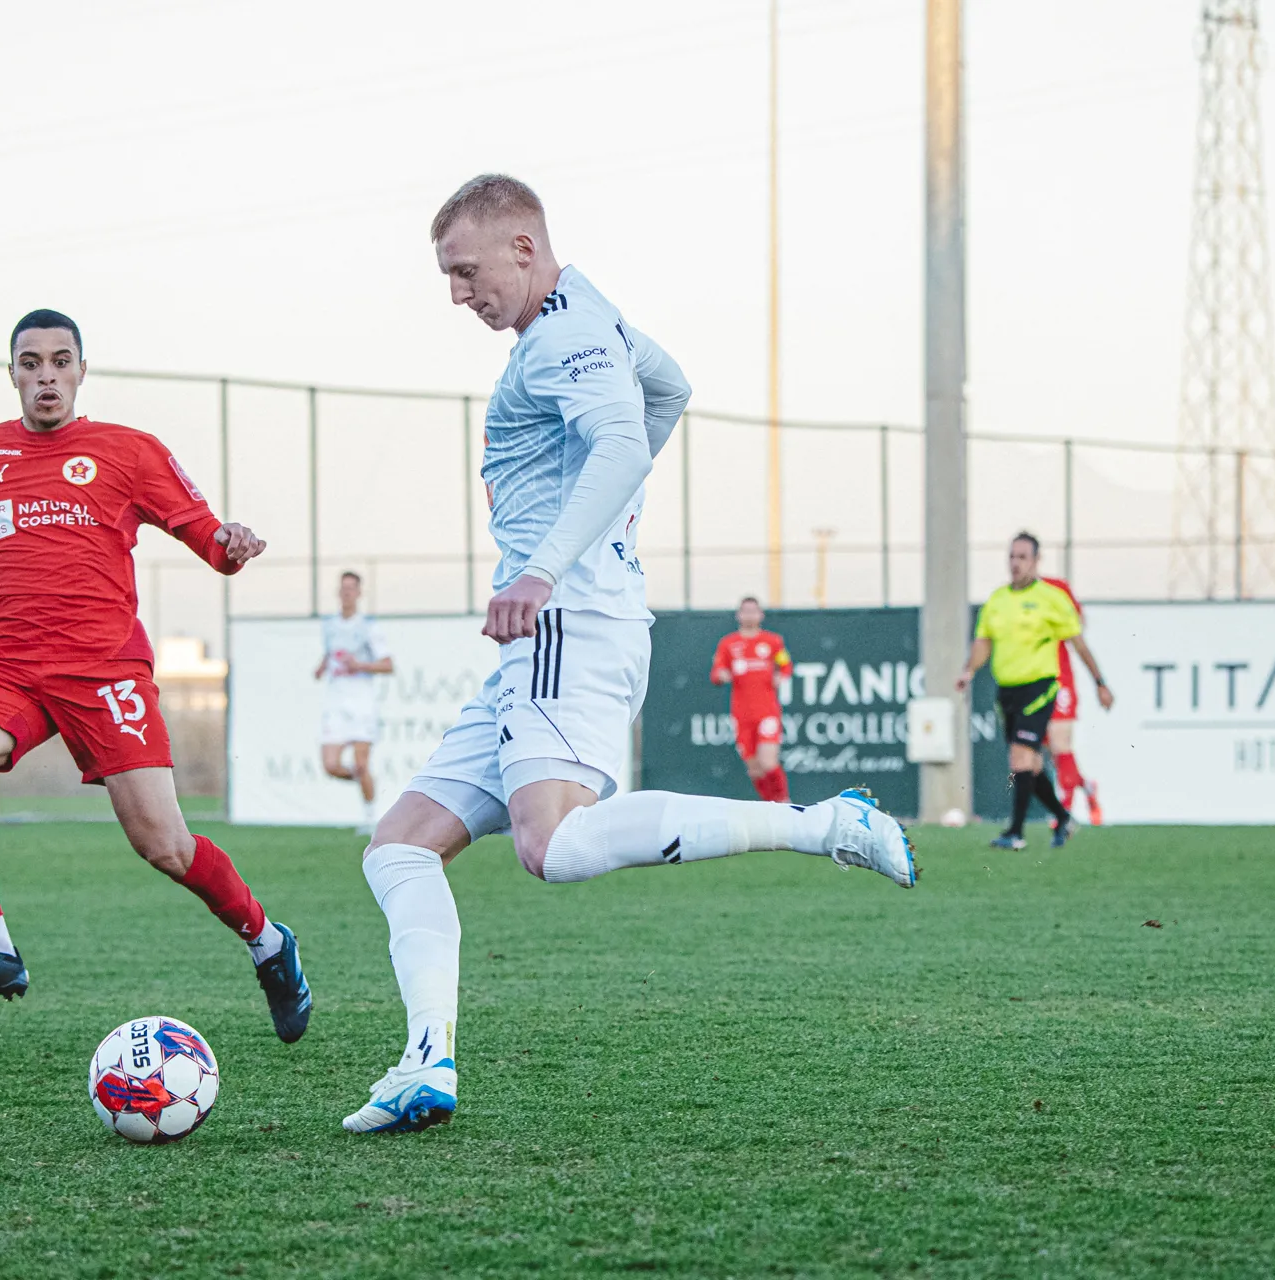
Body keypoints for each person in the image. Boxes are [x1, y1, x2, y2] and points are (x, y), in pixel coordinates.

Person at [342, 175, 916, 1137]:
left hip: (565, 621)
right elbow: (671, 387)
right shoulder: (586, 318)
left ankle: (824, 825)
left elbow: (620, 445)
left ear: (523, 247)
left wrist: (546, 569)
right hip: (557, 629)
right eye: (447, 276)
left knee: (553, 847)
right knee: (400, 844)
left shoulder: (564, 333)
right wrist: (604, 535)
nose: (457, 293)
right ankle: (425, 1062)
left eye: (466, 271)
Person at [0, 309, 313, 1043]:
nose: (46, 376)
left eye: (60, 361)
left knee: (164, 845)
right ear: (12, 374)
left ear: (81, 371)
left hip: (104, 671)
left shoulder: (129, 451)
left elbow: (208, 541)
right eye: (31, 363)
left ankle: (268, 941)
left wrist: (232, 544)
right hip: (6, 665)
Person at [954, 533, 1112, 851]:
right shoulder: (997, 600)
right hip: (1007, 691)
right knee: (1031, 764)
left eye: (1022, 557)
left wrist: (1099, 682)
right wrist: (969, 670)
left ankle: (1016, 832)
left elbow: (1078, 644)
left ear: (1037, 561)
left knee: (1020, 756)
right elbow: (984, 642)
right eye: (1012, 556)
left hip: (1040, 688)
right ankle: (1063, 818)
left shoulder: (1051, 598)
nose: (1015, 563)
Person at [316, 570, 394, 832]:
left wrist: (359, 665)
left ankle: (370, 818)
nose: (346, 592)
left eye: (351, 588)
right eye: (343, 588)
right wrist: (322, 666)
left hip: (361, 703)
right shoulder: (330, 625)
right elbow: (330, 654)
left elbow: (387, 665)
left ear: (359, 593)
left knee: (362, 763)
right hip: (336, 703)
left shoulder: (368, 626)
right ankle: (363, 779)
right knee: (330, 765)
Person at [710, 597, 792, 801]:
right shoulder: (729, 644)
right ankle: (770, 804)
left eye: (753, 611)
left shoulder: (772, 642)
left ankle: (785, 802)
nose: (749, 615)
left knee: (768, 762)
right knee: (754, 768)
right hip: (742, 714)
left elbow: (785, 665)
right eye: (745, 611)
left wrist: (781, 675)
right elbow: (717, 672)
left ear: (760, 615)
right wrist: (722, 675)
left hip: (767, 711)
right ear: (738, 615)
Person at [1039, 575, 1103, 826]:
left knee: (1061, 743)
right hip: (1031, 683)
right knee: (1050, 751)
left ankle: (1062, 812)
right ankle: (1086, 786)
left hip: (1059, 680)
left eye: (1023, 557)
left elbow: (1078, 625)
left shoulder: (1056, 588)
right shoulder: (1012, 597)